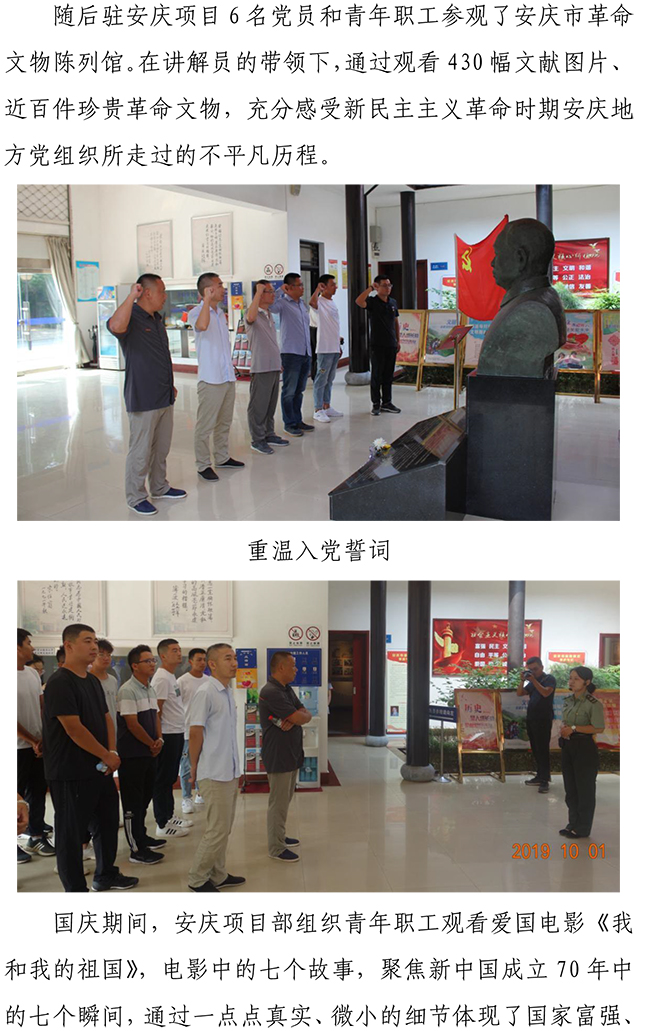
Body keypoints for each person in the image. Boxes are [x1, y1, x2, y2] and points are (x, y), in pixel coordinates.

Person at [42, 624, 138, 892]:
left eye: (95, 641)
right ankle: (75, 890)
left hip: (100, 768)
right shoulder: (59, 682)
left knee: (107, 824)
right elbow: (73, 729)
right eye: (87, 641)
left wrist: (112, 753)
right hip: (70, 771)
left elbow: (106, 718)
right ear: (69, 646)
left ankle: (105, 875)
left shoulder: (93, 680)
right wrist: (106, 755)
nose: (94, 646)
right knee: (71, 834)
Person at [107, 274, 187, 516]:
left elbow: (161, 355)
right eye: (162, 291)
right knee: (140, 450)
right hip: (143, 396)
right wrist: (132, 296)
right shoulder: (131, 317)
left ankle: (159, 486)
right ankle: (135, 496)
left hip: (164, 394)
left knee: (161, 448)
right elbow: (115, 326)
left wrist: (170, 384)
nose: (165, 297)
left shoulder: (157, 319)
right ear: (148, 293)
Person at [187, 644, 245, 892]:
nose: (234, 663)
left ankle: (218, 875)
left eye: (235, 658)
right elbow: (195, 731)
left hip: (229, 770)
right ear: (212, 664)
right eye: (227, 658)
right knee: (217, 830)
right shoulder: (206, 692)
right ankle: (197, 878)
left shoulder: (227, 691)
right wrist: (194, 766)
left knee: (224, 828)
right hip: (213, 772)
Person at [187, 273, 244, 481]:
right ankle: (203, 464)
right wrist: (206, 301)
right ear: (208, 289)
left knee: (224, 422)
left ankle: (222, 457)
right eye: (219, 285)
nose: (223, 289)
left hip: (227, 376)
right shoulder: (196, 312)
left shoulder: (220, 313)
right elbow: (202, 326)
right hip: (210, 379)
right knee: (205, 425)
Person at [258, 651, 312, 862]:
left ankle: (279, 836)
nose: (296, 669)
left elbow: (303, 713)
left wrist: (299, 717)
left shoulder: (286, 689)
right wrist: (298, 717)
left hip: (291, 752)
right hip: (278, 754)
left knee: (285, 799)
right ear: (281, 667)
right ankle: (276, 847)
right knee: (278, 803)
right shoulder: (271, 691)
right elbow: (298, 716)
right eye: (293, 665)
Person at [116, 645, 166, 865]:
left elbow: (156, 716)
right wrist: (151, 743)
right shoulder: (127, 690)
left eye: (153, 660)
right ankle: (136, 850)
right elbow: (132, 724)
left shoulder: (150, 688)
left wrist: (159, 739)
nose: (152, 664)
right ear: (135, 666)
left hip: (149, 753)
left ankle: (142, 836)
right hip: (133, 755)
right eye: (148, 661)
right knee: (132, 803)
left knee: (144, 798)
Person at [17, 629, 55, 863]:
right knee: (15, 796)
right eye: (28, 643)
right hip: (17, 748)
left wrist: (43, 739)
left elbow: (42, 706)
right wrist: (32, 741)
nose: (32, 647)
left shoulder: (32, 673)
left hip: (37, 746)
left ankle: (36, 836)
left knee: (38, 791)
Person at [151, 639, 193, 838]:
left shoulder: (170, 676)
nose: (179, 653)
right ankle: (161, 824)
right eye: (174, 650)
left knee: (169, 778)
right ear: (163, 656)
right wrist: (159, 736)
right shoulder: (161, 678)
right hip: (167, 733)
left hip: (177, 732)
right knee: (162, 779)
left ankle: (169, 816)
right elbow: (156, 711)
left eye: (179, 650)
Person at [559, 666, 605, 839]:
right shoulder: (568, 701)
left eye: (576, 679)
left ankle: (583, 828)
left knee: (584, 789)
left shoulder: (593, 704)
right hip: (568, 746)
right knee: (571, 789)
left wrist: (573, 728)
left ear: (587, 682)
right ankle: (573, 823)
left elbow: (599, 727)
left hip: (584, 748)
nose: (571, 682)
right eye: (570, 678)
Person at [246, 281, 289, 455]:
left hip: (273, 365)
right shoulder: (253, 313)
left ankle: (269, 434)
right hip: (261, 367)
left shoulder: (269, 314)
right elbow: (250, 318)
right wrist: (257, 293)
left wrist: (278, 362)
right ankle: (257, 440)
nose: (273, 295)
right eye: (269, 291)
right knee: (258, 406)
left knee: (270, 405)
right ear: (260, 293)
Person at [270, 274, 314, 436]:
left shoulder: (301, 304)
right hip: (291, 353)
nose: (302, 288)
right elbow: (270, 306)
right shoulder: (282, 303)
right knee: (289, 390)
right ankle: (289, 423)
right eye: (299, 285)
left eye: (302, 284)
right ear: (288, 287)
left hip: (305, 352)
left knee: (299, 390)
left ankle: (297, 420)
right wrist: (279, 291)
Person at [355, 276, 401, 416]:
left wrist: (398, 340)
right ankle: (376, 403)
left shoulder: (393, 302)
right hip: (377, 345)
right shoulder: (372, 302)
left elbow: (396, 322)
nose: (388, 288)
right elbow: (358, 301)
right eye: (384, 285)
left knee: (388, 375)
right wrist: (370, 288)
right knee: (376, 375)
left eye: (389, 285)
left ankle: (387, 402)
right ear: (377, 286)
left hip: (391, 344)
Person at [517, 656, 556, 794]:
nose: (533, 672)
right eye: (530, 670)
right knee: (535, 748)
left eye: (535, 669)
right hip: (532, 718)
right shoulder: (532, 681)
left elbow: (545, 693)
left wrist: (533, 680)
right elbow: (520, 693)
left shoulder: (549, 679)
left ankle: (545, 780)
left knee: (543, 749)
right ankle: (540, 776)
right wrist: (522, 680)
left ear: (542, 667)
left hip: (543, 719)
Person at [177, 648, 208, 813]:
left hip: (206, 731)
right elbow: (175, 706)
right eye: (198, 659)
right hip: (188, 730)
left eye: (204, 659)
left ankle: (200, 793)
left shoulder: (209, 681)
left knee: (203, 763)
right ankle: (186, 798)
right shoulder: (182, 681)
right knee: (187, 765)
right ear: (190, 661)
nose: (202, 663)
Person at [309, 275, 344, 423]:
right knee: (321, 379)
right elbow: (311, 302)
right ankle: (318, 410)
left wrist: (338, 342)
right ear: (324, 286)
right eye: (332, 284)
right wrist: (318, 290)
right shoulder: (320, 301)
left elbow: (332, 324)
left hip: (334, 347)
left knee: (330, 379)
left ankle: (327, 406)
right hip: (324, 348)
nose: (336, 287)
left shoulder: (331, 302)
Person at [89, 639, 119, 737]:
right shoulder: (86, 680)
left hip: (113, 731)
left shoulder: (113, 680)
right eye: (101, 654)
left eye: (109, 655)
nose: (106, 658)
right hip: (94, 732)